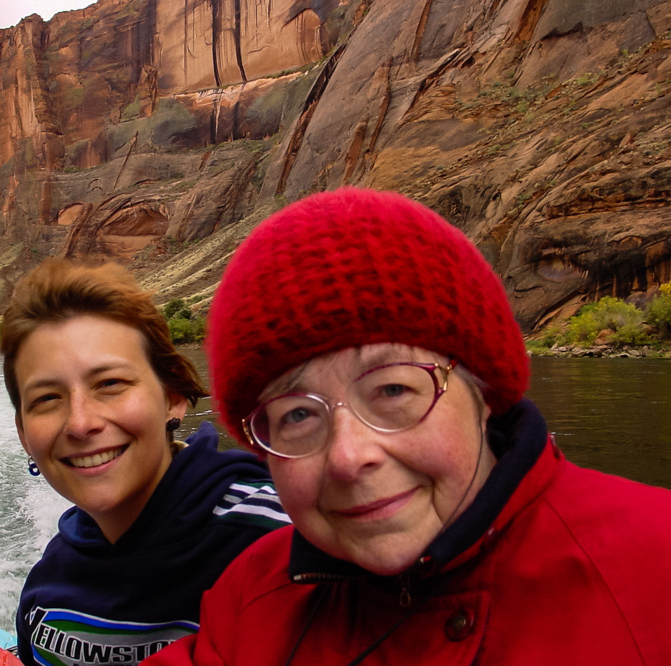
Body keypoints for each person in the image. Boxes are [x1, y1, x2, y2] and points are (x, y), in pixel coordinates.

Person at [141, 187, 671, 665]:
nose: (349, 458)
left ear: (481, 390)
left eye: (393, 389)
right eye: (297, 414)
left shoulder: (655, 566)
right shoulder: (252, 595)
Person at [0, 259, 289, 666]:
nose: (81, 423)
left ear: (173, 397)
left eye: (111, 384)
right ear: (25, 434)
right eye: (47, 399)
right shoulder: (47, 590)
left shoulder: (283, 539)